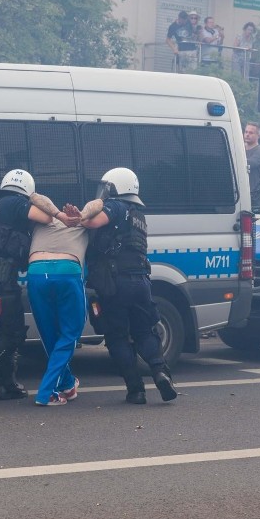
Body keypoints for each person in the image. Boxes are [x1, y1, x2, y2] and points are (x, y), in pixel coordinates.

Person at [0, 169, 72, 402]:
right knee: (13, 334)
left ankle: (7, 385)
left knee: (8, 329)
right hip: (0, 277)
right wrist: (39, 203)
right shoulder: (13, 203)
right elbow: (46, 218)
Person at [81, 168, 177, 405]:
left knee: (117, 337)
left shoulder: (115, 207)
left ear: (115, 187)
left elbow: (92, 222)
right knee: (145, 330)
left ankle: (136, 390)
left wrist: (80, 216)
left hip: (115, 284)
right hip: (141, 281)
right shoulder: (138, 215)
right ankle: (160, 372)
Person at [27, 209, 87, 406]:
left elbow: (33, 197)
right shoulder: (84, 222)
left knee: (50, 334)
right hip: (67, 272)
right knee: (71, 333)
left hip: (36, 273)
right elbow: (98, 204)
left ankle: (68, 384)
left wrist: (56, 213)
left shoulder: (42, 219)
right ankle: (47, 393)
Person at [244, 122, 260, 190]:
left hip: (254, 192)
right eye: (246, 132)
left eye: (251, 133)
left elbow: (249, 164)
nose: (247, 135)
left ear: (258, 136)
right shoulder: (239, 148)